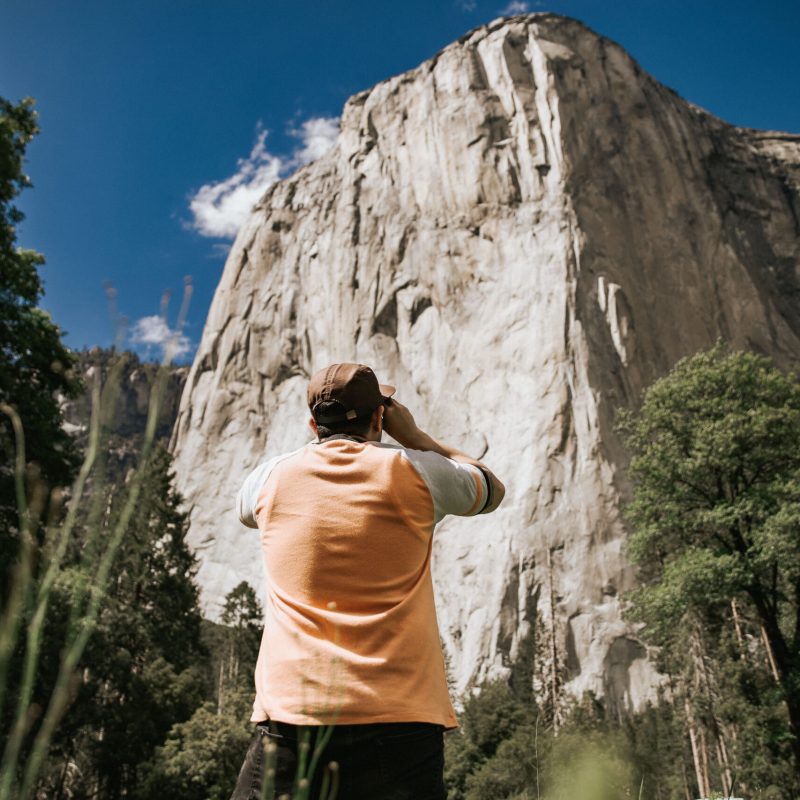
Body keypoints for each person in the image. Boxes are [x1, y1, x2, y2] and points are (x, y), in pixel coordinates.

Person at [229, 363, 505, 800]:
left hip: (292, 717)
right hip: (401, 723)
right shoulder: (421, 471)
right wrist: (417, 439)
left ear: (312, 423)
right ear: (381, 416)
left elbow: (246, 512)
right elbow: (491, 487)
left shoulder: (266, 480)